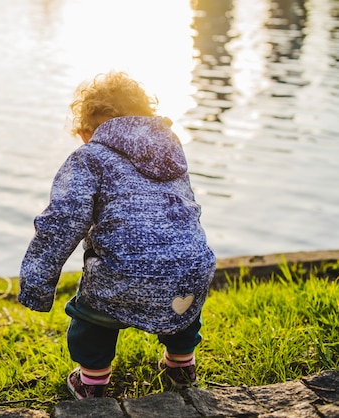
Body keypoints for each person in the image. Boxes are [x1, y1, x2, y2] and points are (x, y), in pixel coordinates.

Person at [18, 71, 216, 399]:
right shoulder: (170, 147)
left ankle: (92, 382)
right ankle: (181, 365)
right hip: (192, 265)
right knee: (183, 306)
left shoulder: (88, 158)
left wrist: (37, 286)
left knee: (92, 316)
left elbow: (60, 224)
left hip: (122, 271)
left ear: (85, 133)